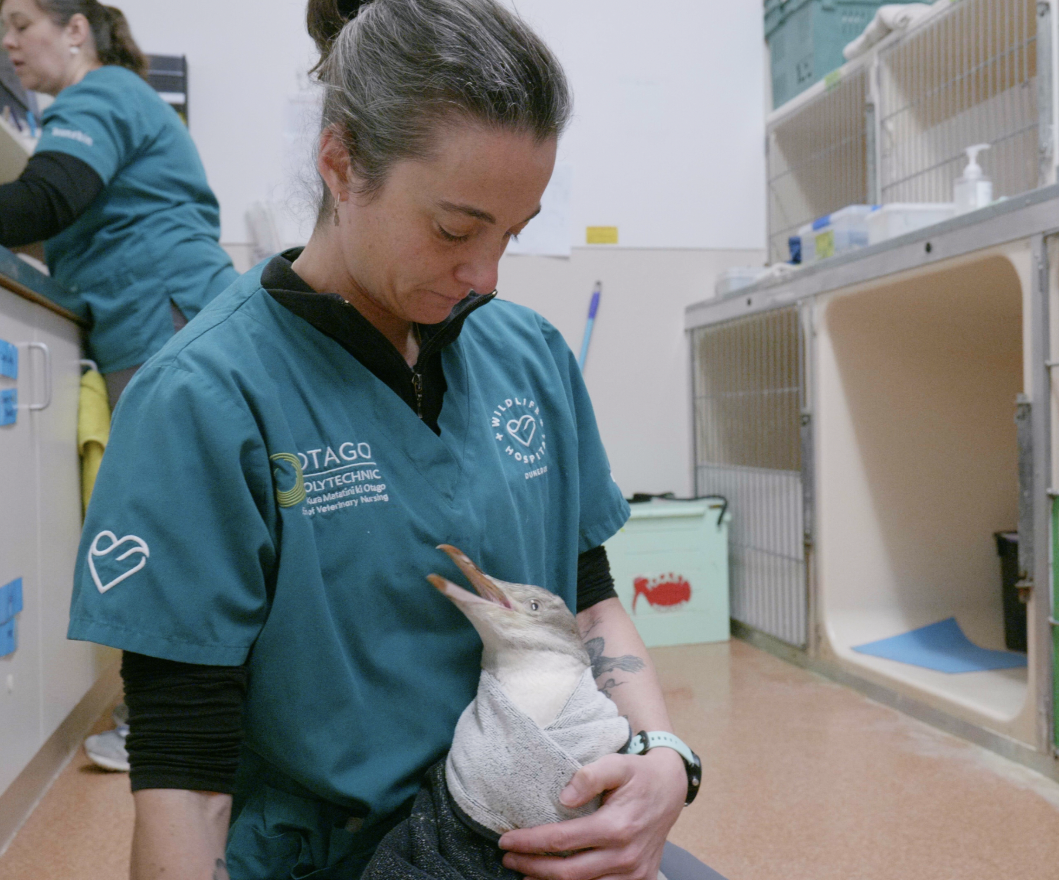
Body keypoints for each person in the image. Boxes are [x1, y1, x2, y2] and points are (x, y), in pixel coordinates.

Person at [67, 0, 710, 877]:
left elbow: (588, 599)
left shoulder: (528, 355)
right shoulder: (205, 399)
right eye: (454, 229)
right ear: (340, 165)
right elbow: (184, 772)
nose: (486, 274)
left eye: (512, 233)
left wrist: (664, 756)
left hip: (536, 823)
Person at [0, 0, 239, 406]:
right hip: (182, 313)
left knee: (170, 445)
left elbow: (45, 200)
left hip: (163, 315)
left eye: (21, 25)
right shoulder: (124, 93)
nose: (8, 41)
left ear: (76, 31)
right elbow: (91, 224)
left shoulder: (101, 91)